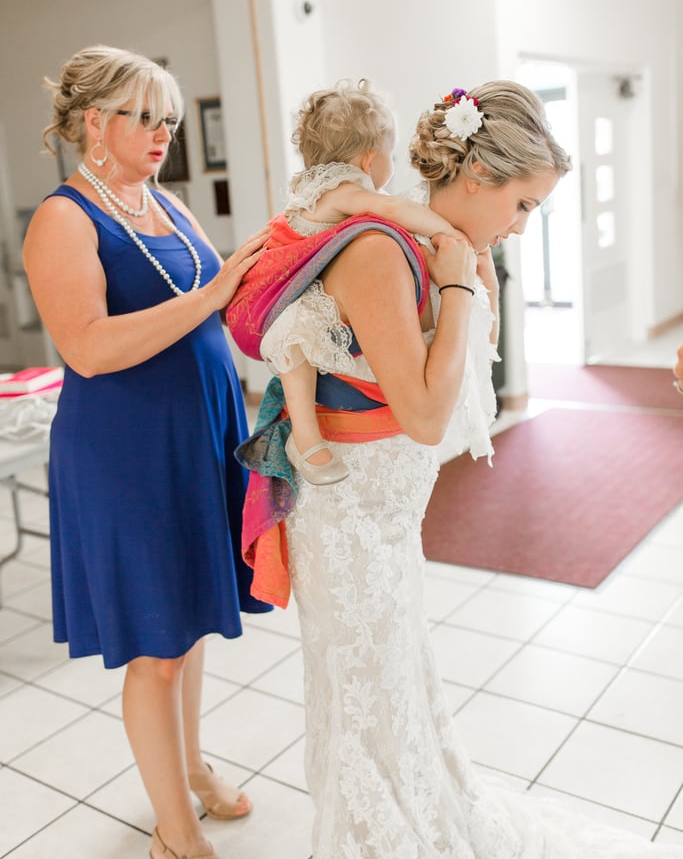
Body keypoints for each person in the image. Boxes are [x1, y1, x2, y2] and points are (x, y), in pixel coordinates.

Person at [228, 81, 683, 857]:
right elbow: (429, 415)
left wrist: (471, 272)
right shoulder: (379, 251)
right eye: (524, 205)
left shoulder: (438, 248)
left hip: (389, 515)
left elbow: (472, 376)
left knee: (397, 686)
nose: (521, 225)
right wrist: (459, 279)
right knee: (363, 699)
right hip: (347, 517)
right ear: (475, 177)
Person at [23, 45, 272, 859]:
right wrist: (213, 294)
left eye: (169, 117)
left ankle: (193, 769)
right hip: (126, 450)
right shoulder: (64, 217)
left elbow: (218, 308)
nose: (164, 131)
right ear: (95, 123)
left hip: (199, 433)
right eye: (146, 117)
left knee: (192, 624)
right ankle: (174, 831)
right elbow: (87, 347)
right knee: (156, 649)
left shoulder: (162, 201)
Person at [272, 79, 466, 486]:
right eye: (391, 156)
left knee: (299, 346)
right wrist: (449, 234)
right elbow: (392, 207)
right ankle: (305, 440)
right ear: (368, 161)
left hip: (297, 283)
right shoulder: (343, 191)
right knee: (298, 342)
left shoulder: (310, 192)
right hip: (291, 294)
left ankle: (305, 438)